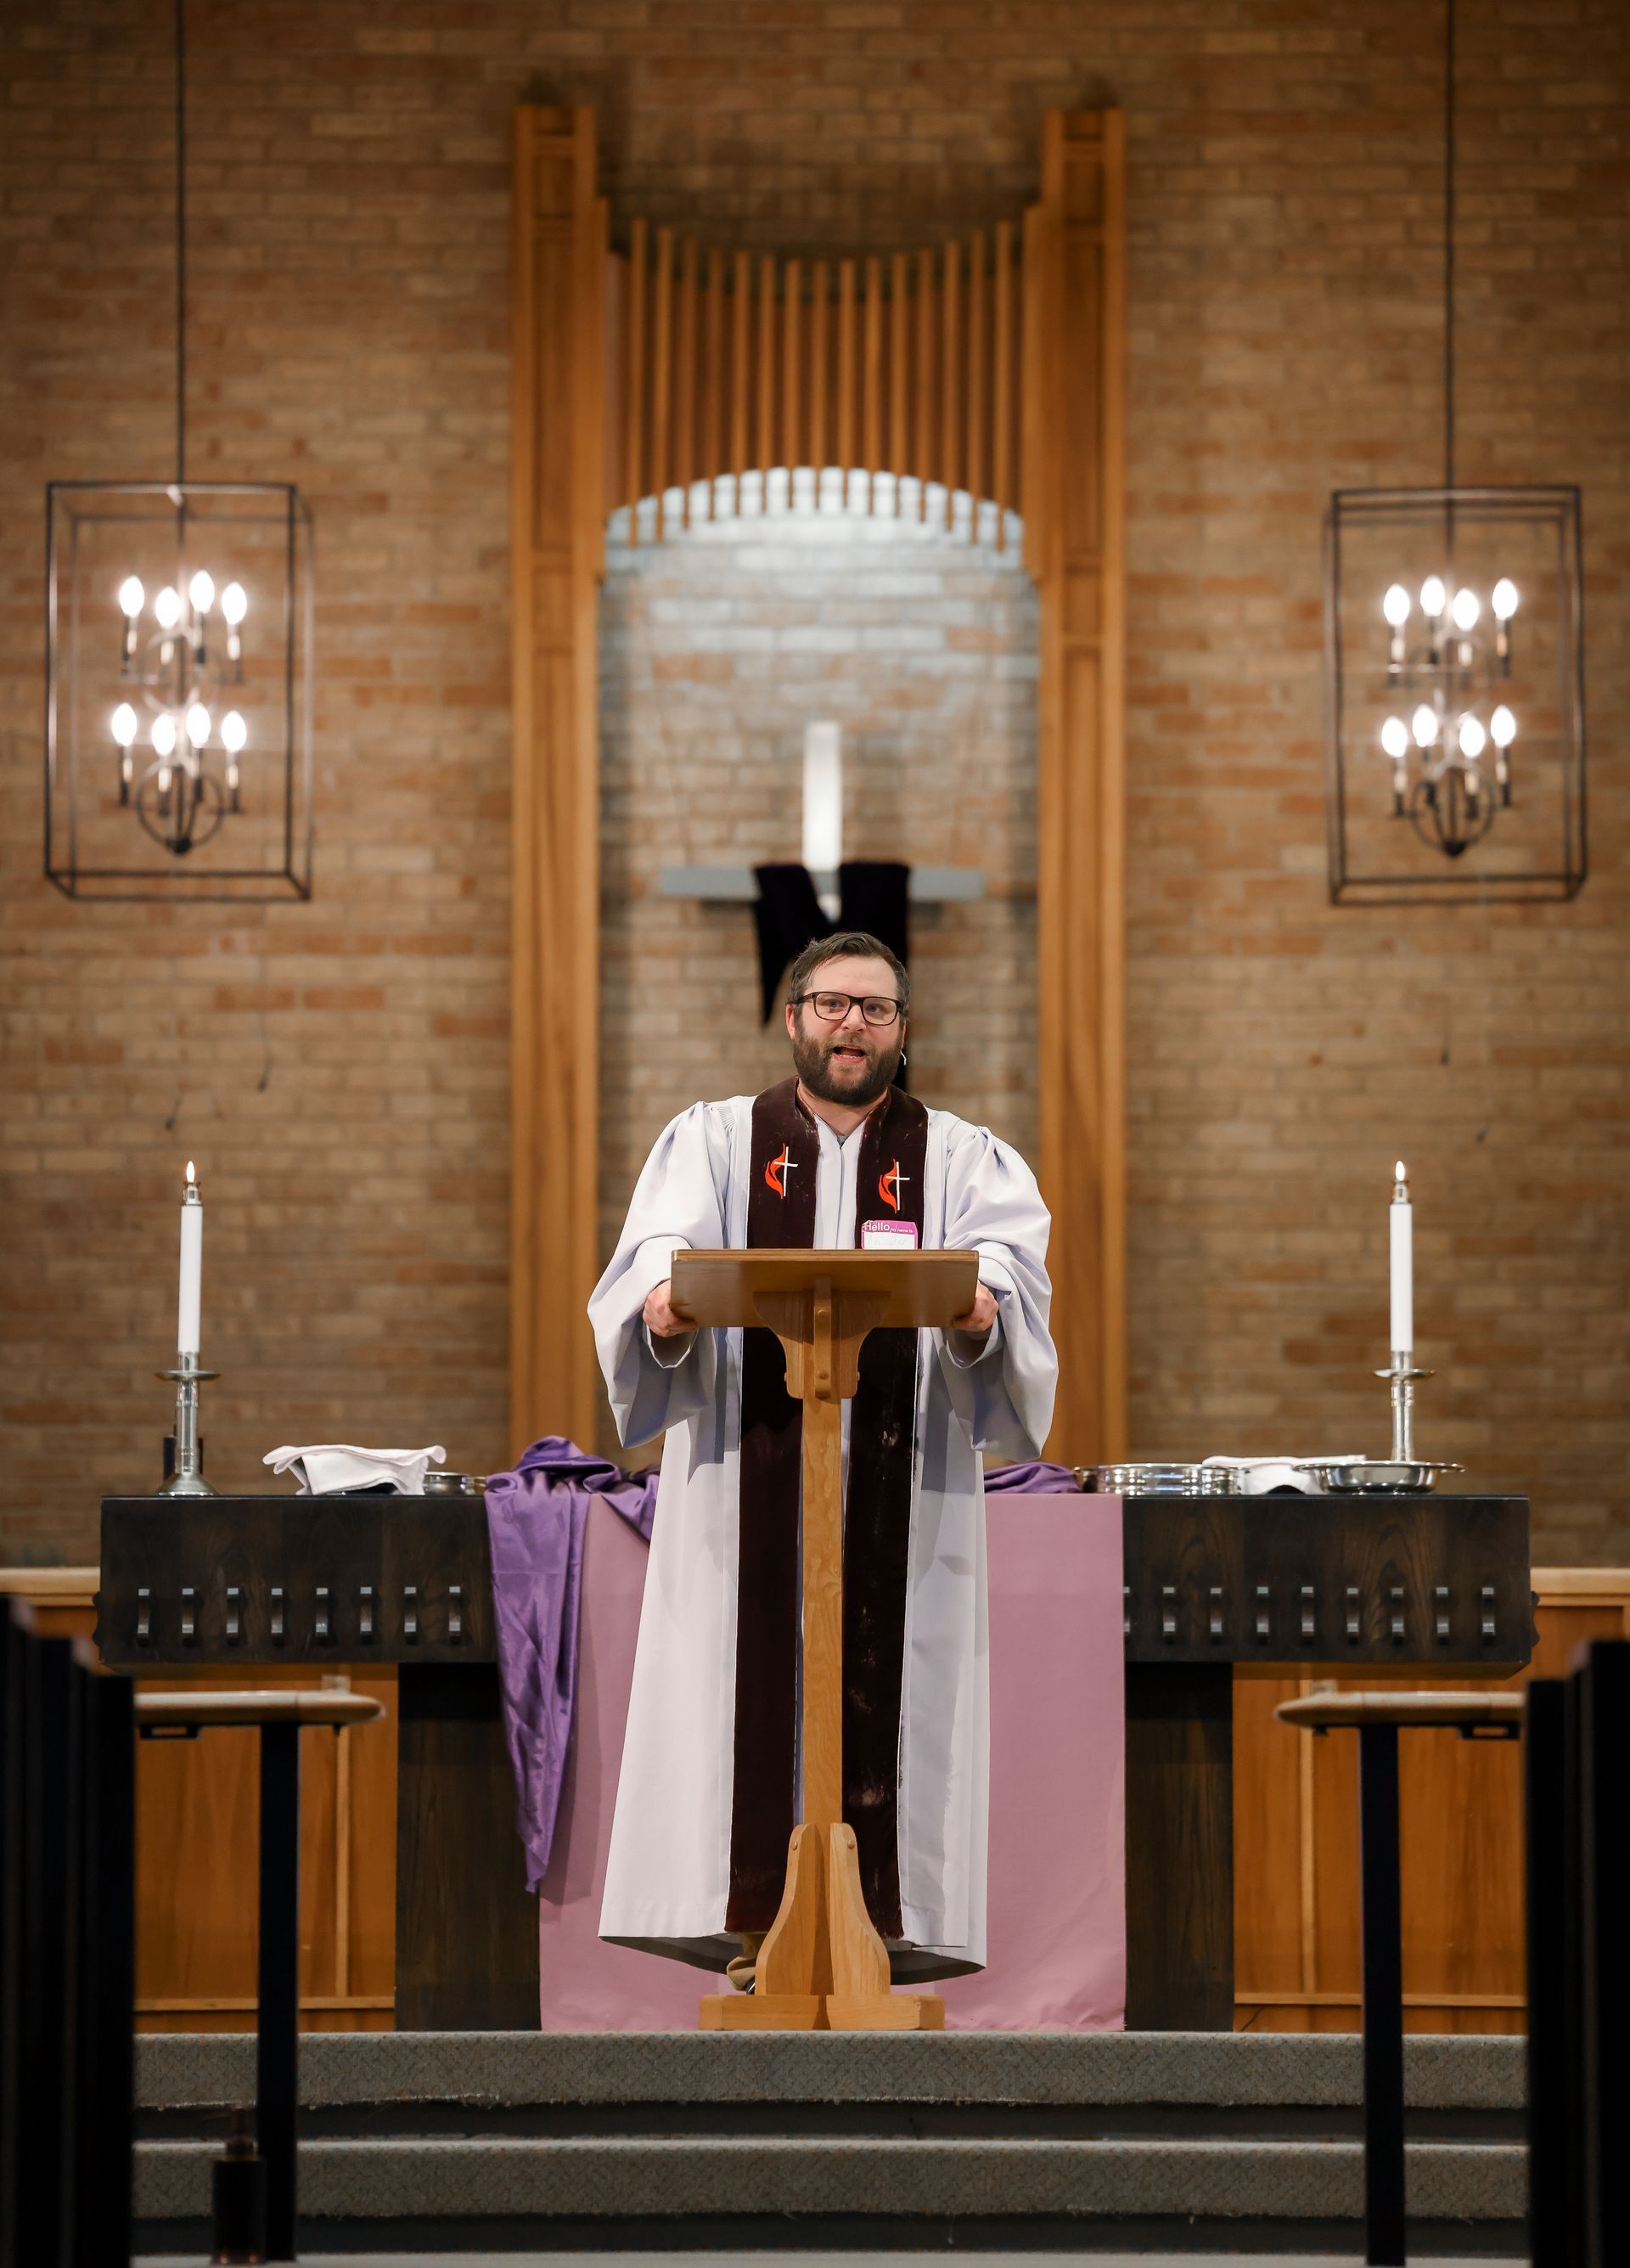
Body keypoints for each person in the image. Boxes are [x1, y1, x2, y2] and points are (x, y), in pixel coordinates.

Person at [588, 931, 1056, 1984]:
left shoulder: (960, 1159)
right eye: (833, 1003)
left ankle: (874, 1931)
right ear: (793, 1015)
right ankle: (760, 1929)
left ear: (904, 1031)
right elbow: (654, 1272)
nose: (853, 1024)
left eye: (876, 1009)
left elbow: (1013, 1289)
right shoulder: (711, 1144)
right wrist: (662, 1308)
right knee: (741, 1701)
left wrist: (987, 1315)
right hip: (742, 1495)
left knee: (895, 1701)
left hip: (907, 1495)